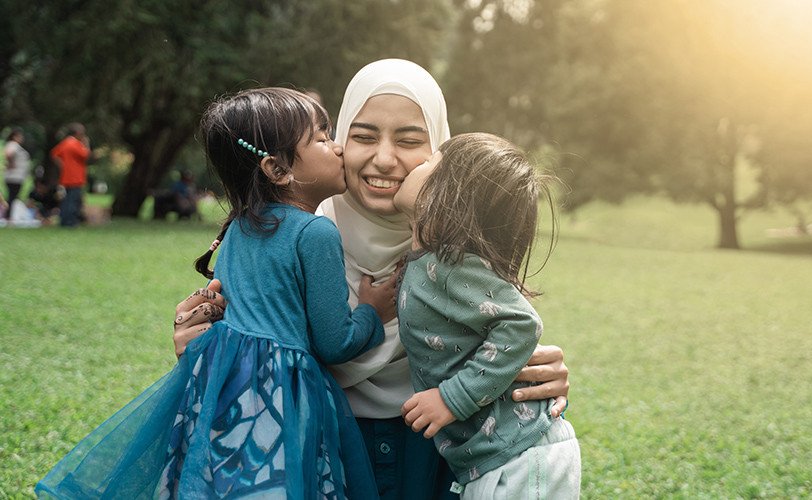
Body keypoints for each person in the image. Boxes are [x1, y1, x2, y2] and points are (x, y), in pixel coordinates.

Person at [173, 59, 571, 499]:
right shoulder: (290, 238)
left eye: (410, 140)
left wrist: (539, 374)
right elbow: (244, 349)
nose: (384, 159)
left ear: (439, 147)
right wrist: (200, 342)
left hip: (442, 457)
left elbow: (512, 335)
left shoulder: (463, 249)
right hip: (316, 444)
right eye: (362, 136)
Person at [36, 88, 396, 498]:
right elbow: (333, 343)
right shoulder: (315, 232)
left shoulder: (238, 227)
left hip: (220, 383)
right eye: (321, 138)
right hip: (281, 391)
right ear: (277, 169)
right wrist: (371, 310)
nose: (337, 148)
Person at [394, 133, 581, 498]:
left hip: (520, 456)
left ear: (443, 195)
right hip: (500, 458)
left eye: (429, 162)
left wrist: (452, 398)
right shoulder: (429, 264)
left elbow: (522, 324)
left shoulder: (449, 263)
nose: (415, 166)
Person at [50, 123, 91, 227]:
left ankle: (64, 220)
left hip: (66, 176)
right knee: (73, 200)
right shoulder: (75, 143)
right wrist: (86, 144)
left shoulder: (65, 142)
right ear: (78, 133)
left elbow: (54, 154)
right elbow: (85, 155)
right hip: (75, 177)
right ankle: (70, 222)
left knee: (66, 200)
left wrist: (63, 165)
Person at [4, 127, 31, 221]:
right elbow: (8, 154)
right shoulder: (13, 144)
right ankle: (9, 217)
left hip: (17, 176)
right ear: (15, 137)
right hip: (14, 176)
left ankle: (9, 216)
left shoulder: (14, 145)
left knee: (12, 196)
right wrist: (11, 163)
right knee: (12, 197)